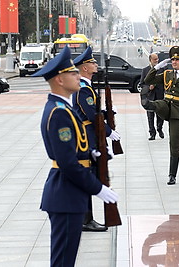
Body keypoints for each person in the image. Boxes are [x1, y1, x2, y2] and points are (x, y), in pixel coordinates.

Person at [33, 45, 118, 266]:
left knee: (66, 259)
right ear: (59, 80)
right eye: (73, 73)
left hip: (69, 194)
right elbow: (67, 163)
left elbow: (76, 145)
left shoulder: (64, 108)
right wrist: (97, 188)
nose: (78, 76)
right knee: (63, 260)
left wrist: (93, 152)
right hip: (65, 193)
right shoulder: (59, 112)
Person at [71, 47, 120, 232]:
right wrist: (108, 132)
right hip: (87, 138)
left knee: (93, 177)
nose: (95, 64)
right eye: (92, 62)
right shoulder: (83, 89)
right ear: (84, 67)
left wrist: (107, 113)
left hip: (90, 136)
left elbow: (95, 113)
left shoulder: (86, 87)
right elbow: (91, 115)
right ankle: (85, 219)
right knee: (89, 178)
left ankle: (85, 218)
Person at [141, 46, 179, 185]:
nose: (174, 61)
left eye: (177, 59)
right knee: (159, 103)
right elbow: (148, 80)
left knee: (174, 143)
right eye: (172, 59)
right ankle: (149, 105)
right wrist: (156, 67)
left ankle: (172, 175)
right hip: (166, 106)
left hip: (178, 112)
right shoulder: (167, 74)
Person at [140, 53, 165, 140]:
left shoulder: (162, 69)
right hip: (150, 97)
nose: (157, 61)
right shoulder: (145, 70)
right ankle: (152, 133)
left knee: (160, 115)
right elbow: (141, 84)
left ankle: (159, 128)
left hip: (159, 95)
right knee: (150, 116)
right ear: (150, 60)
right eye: (155, 59)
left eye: (157, 59)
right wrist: (148, 87)